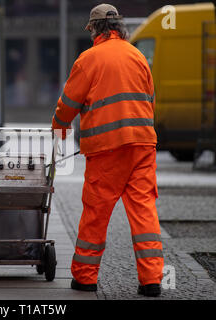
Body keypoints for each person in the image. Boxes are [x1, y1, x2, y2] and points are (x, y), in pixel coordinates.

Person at [51, 3, 164, 297]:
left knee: (96, 213)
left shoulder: (89, 59)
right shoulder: (138, 55)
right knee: (144, 212)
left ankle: (85, 278)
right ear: (119, 28)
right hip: (142, 146)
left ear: (96, 30)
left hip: (107, 150)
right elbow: (150, 99)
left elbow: (68, 103)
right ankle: (151, 280)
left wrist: (59, 129)